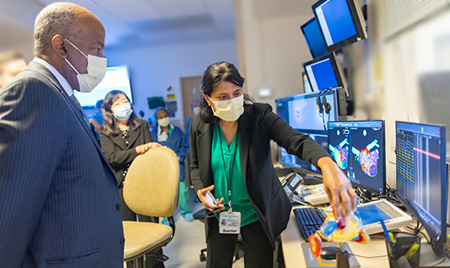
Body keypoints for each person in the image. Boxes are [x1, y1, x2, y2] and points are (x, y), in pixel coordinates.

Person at [189, 61, 357, 268]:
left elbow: (297, 141)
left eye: (237, 93)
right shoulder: (199, 125)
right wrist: (201, 192)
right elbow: (194, 166)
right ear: (208, 99)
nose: (232, 101)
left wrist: (329, 165)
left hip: (257, 214)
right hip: (219, 214)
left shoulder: (260, 116)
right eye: (223, 97)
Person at [0, 3, 124, 267]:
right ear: (62, 46)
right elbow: (10, 212)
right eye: (97, 49)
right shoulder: (35, 91)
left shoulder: (61, 94)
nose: (102, 59)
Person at [100, 90, 164, 267]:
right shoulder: (105, 132)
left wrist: (144, 150)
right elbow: (111, 158)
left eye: (125, 101)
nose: (123, 105)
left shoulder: (142, 125)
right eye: (117, 103)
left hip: (145, 186)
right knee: (129, 236)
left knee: (152, 234)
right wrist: (137, 150)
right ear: (110, 110)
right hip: (121, 188)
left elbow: (150, 153)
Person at [151, 107, 193, 222]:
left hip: (178, 166)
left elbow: (186, 146)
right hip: (162, 169)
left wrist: (179, 156)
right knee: (164, 195)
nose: (164, 119)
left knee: (182, 192)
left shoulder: (177, 131)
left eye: (165, 116)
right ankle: (165, 218)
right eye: (160, 117)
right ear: (156, 119)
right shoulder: (153, 134)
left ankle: (186, 212)